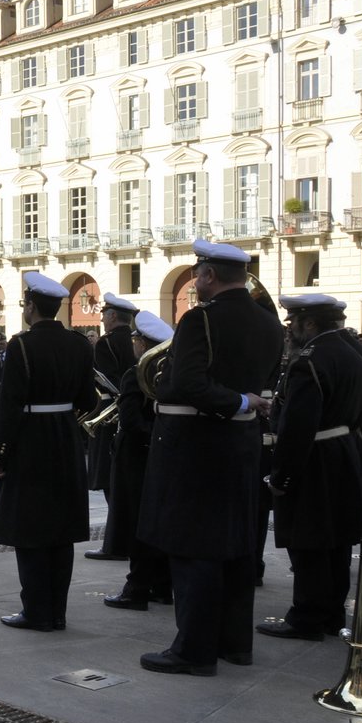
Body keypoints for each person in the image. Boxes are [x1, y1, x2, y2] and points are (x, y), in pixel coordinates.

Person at [138, 240, 285, 675]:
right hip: (242, 446)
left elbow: (186, 384)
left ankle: (194, 651)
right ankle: (235, 644)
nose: (195, 281)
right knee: (237, 546)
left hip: (197, 444)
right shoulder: (269, 324)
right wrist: (245, 402)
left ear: (209, 276)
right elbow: (266, 383)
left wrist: (238, 399)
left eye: (198, 274)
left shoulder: (200, 320)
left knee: (194, 547)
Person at [0, 272, 98, 631]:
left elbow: (9, 406)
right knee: (61, 532)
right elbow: (88, 400)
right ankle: (58, 612)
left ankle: (36, 612)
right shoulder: (81, 344)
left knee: (30, 530)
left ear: (32, 307)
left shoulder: (21, 346)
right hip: (66, 439)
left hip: (30, 442)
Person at [256, 294, 362, 641]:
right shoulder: (356, 353)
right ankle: (332, 613)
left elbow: (298, 425)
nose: (290, 329)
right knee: (336, 543)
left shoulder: (310, 361)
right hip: (346, 451)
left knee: (309, 541)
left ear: (311, 324)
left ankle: (306, 617)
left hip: (315, 458)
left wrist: (282, 475)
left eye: (294, 323)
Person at [103, 311, 176, 610]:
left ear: (143, 343)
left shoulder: (136, 374)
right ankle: (161, 586)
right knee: (159, 523)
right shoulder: (172, 372)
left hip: (136, 457)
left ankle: (137, 589)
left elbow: (132, 421)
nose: (133, 344)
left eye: (135, 339)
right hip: (159, 455)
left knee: (136, 523)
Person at [86, 294, 139, 560]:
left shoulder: (106, 343)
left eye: (105, 315)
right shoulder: (136, 340)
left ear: (113, 317)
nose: (102, 319)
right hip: (132, 413)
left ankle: (116, 543)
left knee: (110, 482)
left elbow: (107, 379)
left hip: (111, 415)